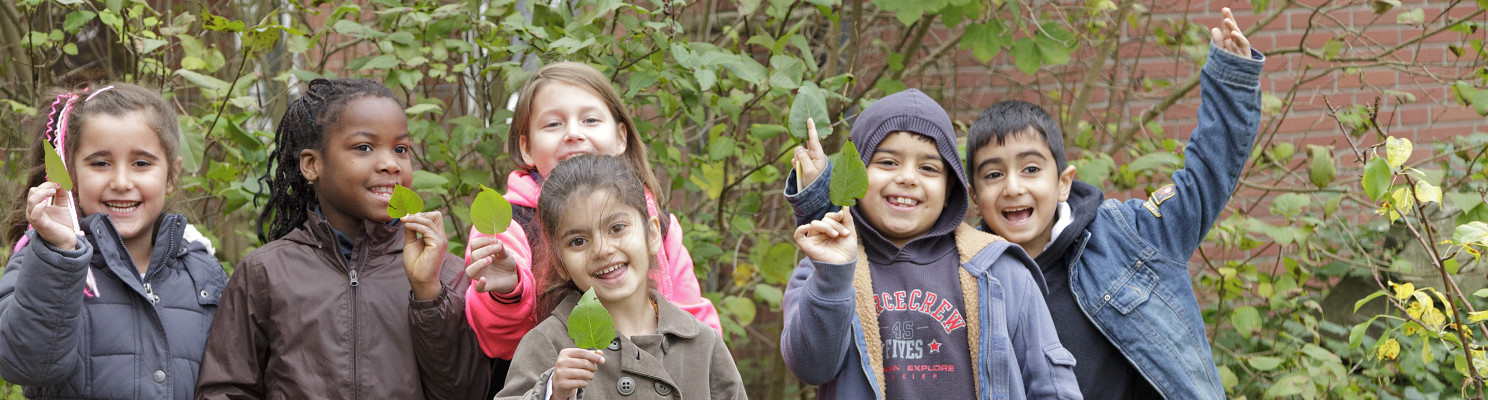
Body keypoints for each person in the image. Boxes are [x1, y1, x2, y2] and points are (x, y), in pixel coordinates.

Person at [789, 9, 1263, 399]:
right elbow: (862, 248)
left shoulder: (1129, 239)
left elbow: (1206, 178)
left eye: (1031, 169)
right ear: (970, 195)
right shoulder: (980, 268)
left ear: (1064, 183)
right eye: (993, 175)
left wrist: (1232, 81)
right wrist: (819, 200)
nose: (1013, 187)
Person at [196, 78, 493, 399]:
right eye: (364, 147)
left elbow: (468, 392)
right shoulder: (264, 272)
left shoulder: (445, 274)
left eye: (401, 149)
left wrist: (428, 294)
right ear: (312, 164)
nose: (390, 164)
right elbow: (225, 389)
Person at [781, 88, 1080, 399]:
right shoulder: (823, 273)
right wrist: (833, 276)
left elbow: (1052, 386)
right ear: (855, 176)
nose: (908, 177)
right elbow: (811, 367)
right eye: (887, 162)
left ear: (950, 188)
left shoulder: (999, 270)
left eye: (928, 168)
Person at [465, 62, 720, 363]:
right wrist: (507, 293)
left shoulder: (656, 223)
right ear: (526, 148)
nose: (573, 133)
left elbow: (694, 320)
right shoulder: (506, 224)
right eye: (553, 124)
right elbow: (503, 345)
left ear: (621, 137)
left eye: (589, 120)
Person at [0, 82, 227, 399]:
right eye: (100, 163)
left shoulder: (205, 275)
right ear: (71, 173)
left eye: (141, 163)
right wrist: (59, 255)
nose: (121, 182)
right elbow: (26, 366)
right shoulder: (44, 261)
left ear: (172, 175)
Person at [496, 154, 746, 400]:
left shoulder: (703, 343)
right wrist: (553, 393)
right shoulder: (547, 344)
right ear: (559, 262)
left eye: (617, 228)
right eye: (578, 241)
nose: (602, 250)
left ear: (653, 233)